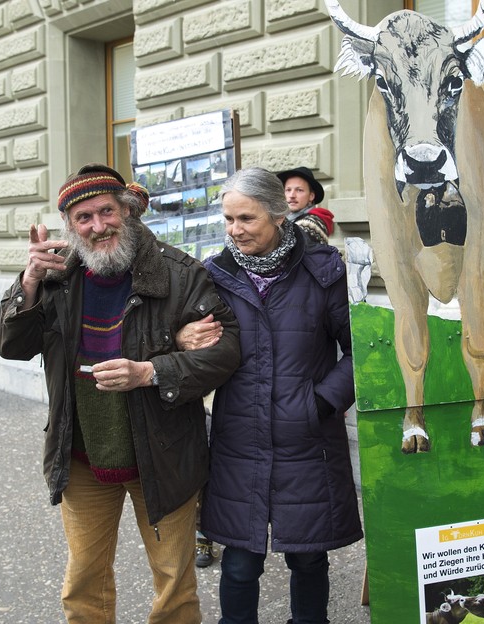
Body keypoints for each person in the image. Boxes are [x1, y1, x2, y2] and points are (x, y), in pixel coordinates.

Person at [0, 163, 241, 623]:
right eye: (83, 218)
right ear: (70, 226)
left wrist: (151, 371)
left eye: (106, 212)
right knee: (84, 579)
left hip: (164, 455)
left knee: (174, 585)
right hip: (83, 454)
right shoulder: (56, 277)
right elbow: (10, 344)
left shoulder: (178, 273)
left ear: (126, 211)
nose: (98, 226)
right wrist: (26, 283)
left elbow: (226, 352)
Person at [176, 167, 361, 624]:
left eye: (246, 219)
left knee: (308, 558)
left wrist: (321, 403)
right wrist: (183, 338)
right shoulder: (213, 275)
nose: (234, 230)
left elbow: (363, 350)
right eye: (228, 219)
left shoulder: (323, 269)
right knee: (240, 563)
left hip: (309, 439)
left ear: (279, 216)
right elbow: (182, 345)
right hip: (240, 438)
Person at [276, 166, 335, 245]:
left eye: (299, 190)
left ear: (311, 196)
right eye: (288, 190)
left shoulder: (310, 223)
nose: (292, 195)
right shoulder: (285, 220)